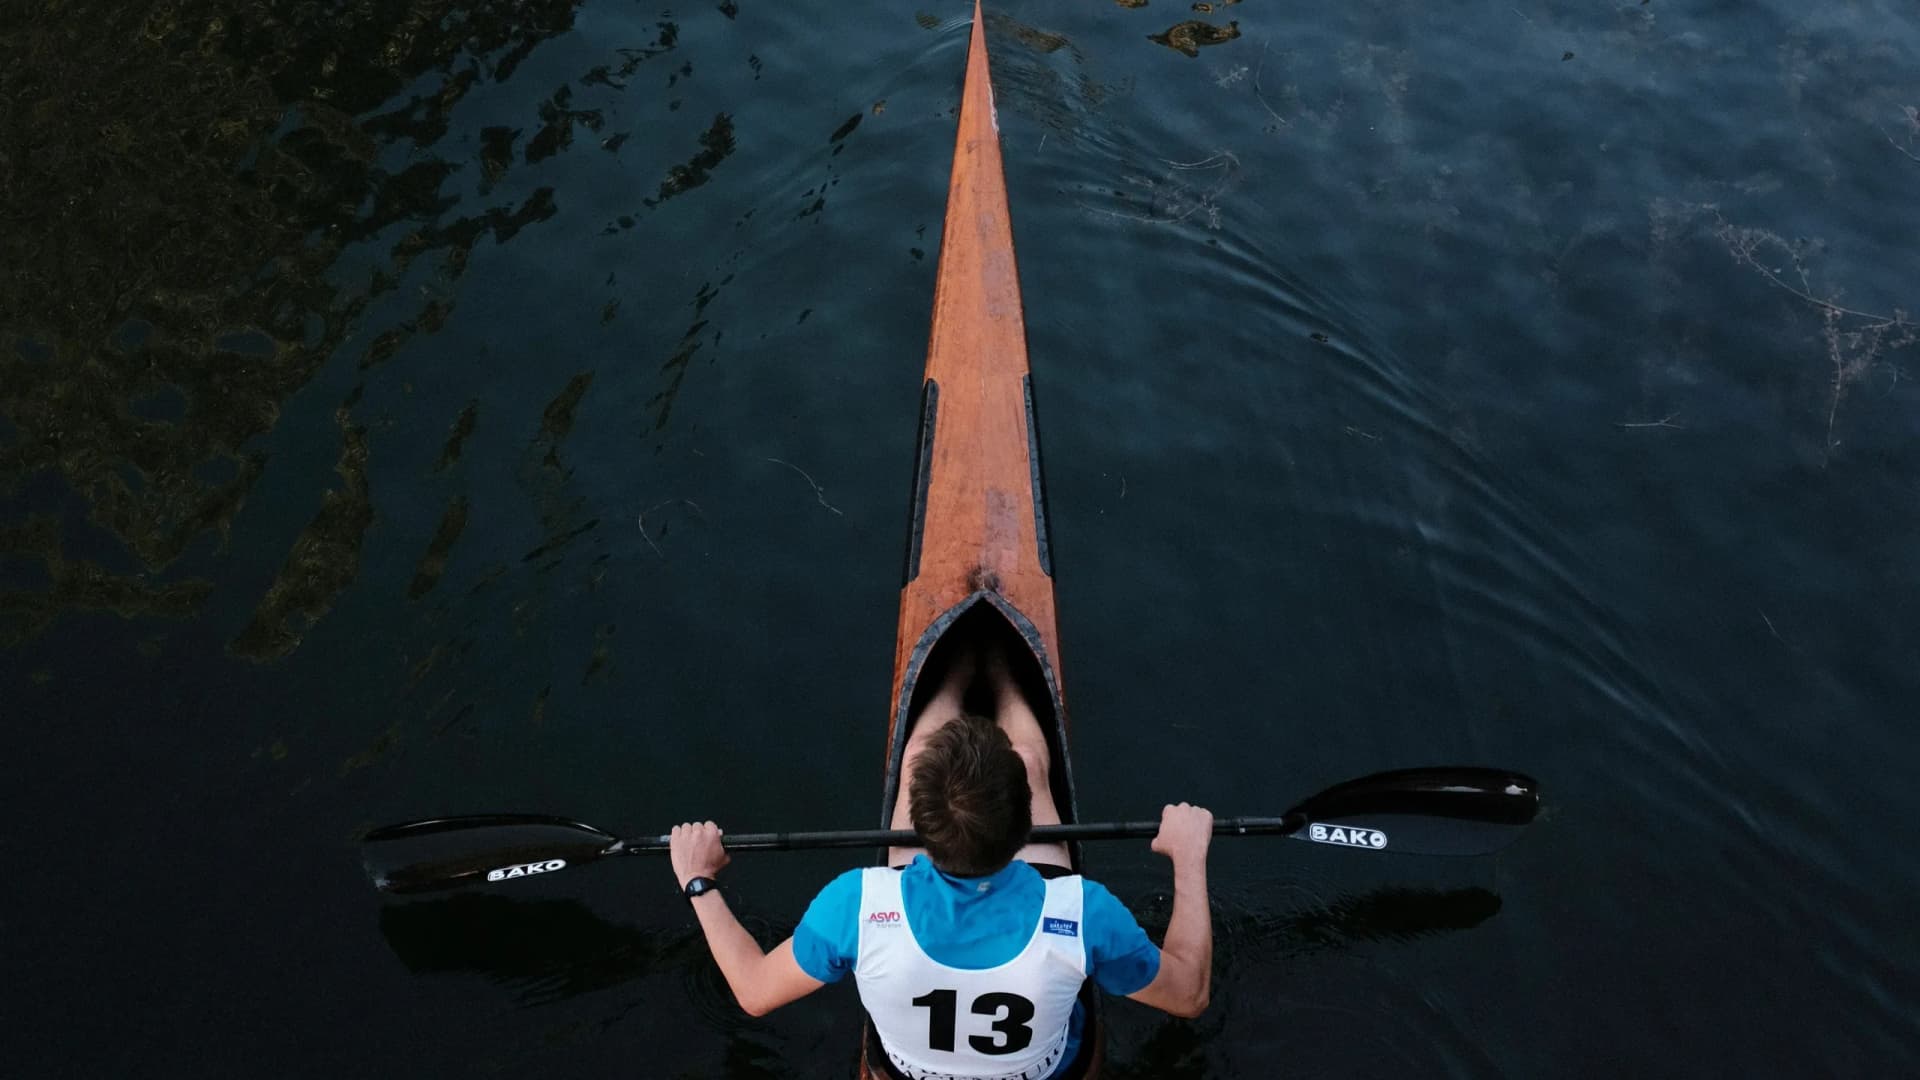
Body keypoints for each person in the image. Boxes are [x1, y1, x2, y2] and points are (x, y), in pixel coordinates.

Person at [668, 637, 1213, 1079]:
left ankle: (948, 671)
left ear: (920, 832)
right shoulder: (1084, 912)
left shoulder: (854, 905)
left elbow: (755, 991)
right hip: (1053, 1069)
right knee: (1027, 758)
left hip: (902, 1071)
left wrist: (699, 881)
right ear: (1025, 827)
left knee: (920, 747)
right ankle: (1002, 668)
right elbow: (1188, 994)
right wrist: (1187, 859)